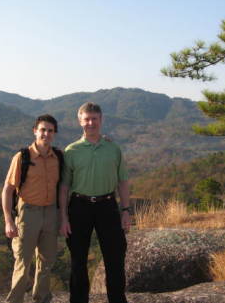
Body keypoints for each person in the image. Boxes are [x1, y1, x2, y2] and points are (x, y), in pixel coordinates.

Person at [59, 102, 131, 303]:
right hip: (79, 207)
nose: (91, 123)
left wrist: (126, 210)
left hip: (107, 205)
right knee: (78, 260)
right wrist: (63, 217)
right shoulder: (71, 151)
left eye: (94, 119)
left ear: (101, 120)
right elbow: (64, 187)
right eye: (87, 119)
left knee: (115, 258)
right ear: (80, 121)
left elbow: (123, 181)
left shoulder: (113, 148)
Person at [1, 114, 61, 303]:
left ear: (54, 133)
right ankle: (15, 300)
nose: (46, 134)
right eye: (42, 130)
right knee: (23, 261)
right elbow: (8, 190)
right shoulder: (23, 157)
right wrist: (8, 220)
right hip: (28, 213)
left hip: (51, 212)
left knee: (46, 261)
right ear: (35, 131)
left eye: (50, 130)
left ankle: (42, 298)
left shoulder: (58, 157)